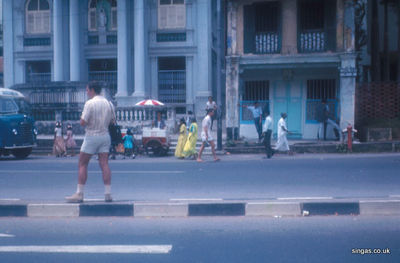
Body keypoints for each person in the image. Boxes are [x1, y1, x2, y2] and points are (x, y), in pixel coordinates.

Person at [65, 82, 115, 203]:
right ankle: (108, 193)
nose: (87, 92)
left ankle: (79, 193)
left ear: (92, 90)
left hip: (92, 135)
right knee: (104, 164)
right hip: (105, 136)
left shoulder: (90, 103)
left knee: (82, 163)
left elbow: (83, 122)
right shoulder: (109, 103)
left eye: (87, 90)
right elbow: (113, 121)